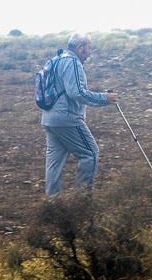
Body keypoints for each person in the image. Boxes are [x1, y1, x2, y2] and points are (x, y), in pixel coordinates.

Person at [40, 32, 117, 196]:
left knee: (54, 162)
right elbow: (77, 93)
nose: (90, 53)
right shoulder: (72, 62)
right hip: (67, 119)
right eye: (89, 48)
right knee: (91, 153)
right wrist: (104, 98)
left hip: (49, 119)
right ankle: (81, 200)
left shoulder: (57, 59)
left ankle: (53, 203)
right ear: (80, 47)